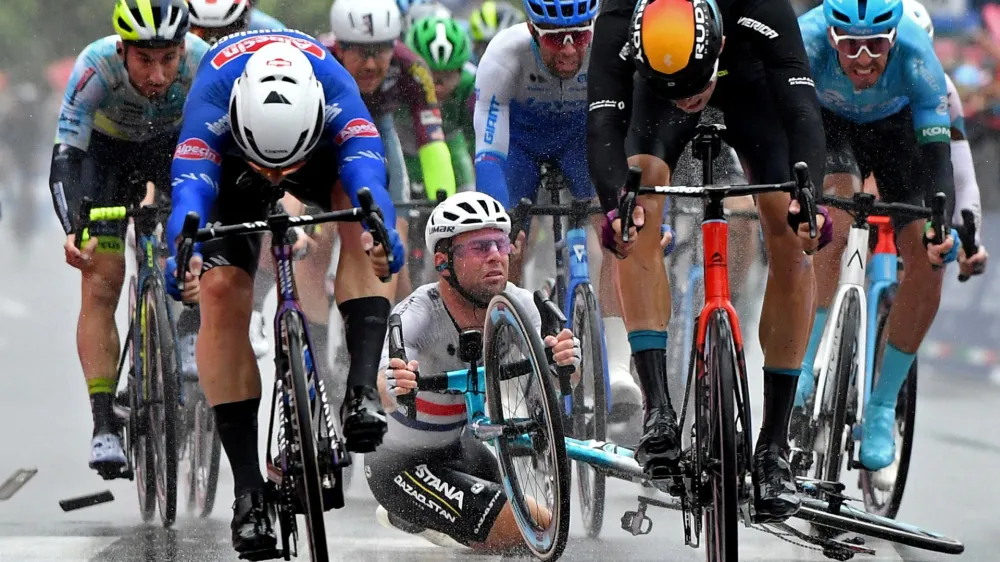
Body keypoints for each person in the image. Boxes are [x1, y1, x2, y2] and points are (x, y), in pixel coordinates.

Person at [586, 0, 836, 522]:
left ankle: (773, 448)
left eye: (693, 87)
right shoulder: (618, 15)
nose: (689, 100)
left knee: (792, 240)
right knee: (637, 214)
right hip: (650, 102)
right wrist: (616, 205)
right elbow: (604, 122)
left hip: (750, 84)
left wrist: (807, 198)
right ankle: (658, 410)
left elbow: (801, 109)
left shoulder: (759, 6)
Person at [163, 32, 404, 555]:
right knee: (221, 290)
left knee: (363, 224)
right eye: (269, 167)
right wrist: (180, 254)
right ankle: (249, 491)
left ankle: (361, 390)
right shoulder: (212, 101)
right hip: (232, 169)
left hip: (317, 154)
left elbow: (370, 179)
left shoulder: (339, 95)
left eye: (284, 169)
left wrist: (384, 237)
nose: (277, 179)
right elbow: (190, 193)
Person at [794, 0, 980, 473]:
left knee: (928, 255)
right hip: (826, 126)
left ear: (894, 39)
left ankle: (880, 406)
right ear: (831, 37)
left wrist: (941, 229)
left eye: (875, 46)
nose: (862, 59)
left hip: (898, 132)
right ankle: (803, 363)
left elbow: (940, 157)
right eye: (850, 47)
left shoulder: (919, 55)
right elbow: (787, 124)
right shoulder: (806, 37)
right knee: (826, 225)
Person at [366, 191, 581, 550]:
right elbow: (384, 384)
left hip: (459, 448)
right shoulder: (417, 313)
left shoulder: (521, 305)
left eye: (500, 243)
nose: (497, 255)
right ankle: (417, 515)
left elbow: (563, 381)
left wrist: (566, 362)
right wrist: (393, 381)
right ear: (443, 260)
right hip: (398, 466)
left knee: (540, 526)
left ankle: (430, 522)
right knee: (531, 532)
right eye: (480, 247)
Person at [49, 0, 207, 478]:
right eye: (144, 59)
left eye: (168, 59)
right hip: (106, 157)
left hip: (174, 147)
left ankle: (186, 330)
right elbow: (64, 160)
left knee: (194, 244)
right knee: (102, 281)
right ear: (122, 50)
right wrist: (73, 226)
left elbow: (218, 152)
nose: (158, 75)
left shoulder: (203, 64)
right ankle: (104, 425)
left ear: (184, 48)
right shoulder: (94, 66)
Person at [473, 0, 646, 426]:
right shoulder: (503, 55)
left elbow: (634, 129)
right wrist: (503, 220)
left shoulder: (615, 46)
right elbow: (490, 154)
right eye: (554, 39)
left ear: (592, 29)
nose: (568, 51)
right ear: (532, 32)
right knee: (504, 245)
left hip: (584, 141)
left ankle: (618, 365)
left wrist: (631, 202)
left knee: (617, 234)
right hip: (521, 147)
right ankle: (510, 361)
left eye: (579, 37)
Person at [325, 0, 458, 300]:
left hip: (378, 128)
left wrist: (445, 204)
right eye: (360, 52)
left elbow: (432, 142)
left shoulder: (412, 67)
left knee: (394, 237)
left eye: (381, 51)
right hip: (327, 132)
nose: (371, 65)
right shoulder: (322, 58)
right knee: (316, 238)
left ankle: (401, 334)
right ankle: (316, 331)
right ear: (341, 46)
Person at [400, 16, 476, 193]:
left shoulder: (470, 85)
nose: (436, 86)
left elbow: (476, 141)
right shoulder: (399, 79)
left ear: (460, 71)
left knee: (468, 192)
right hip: (402, 146)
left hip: (451, 144)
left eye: (447, 76)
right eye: (428, 74)